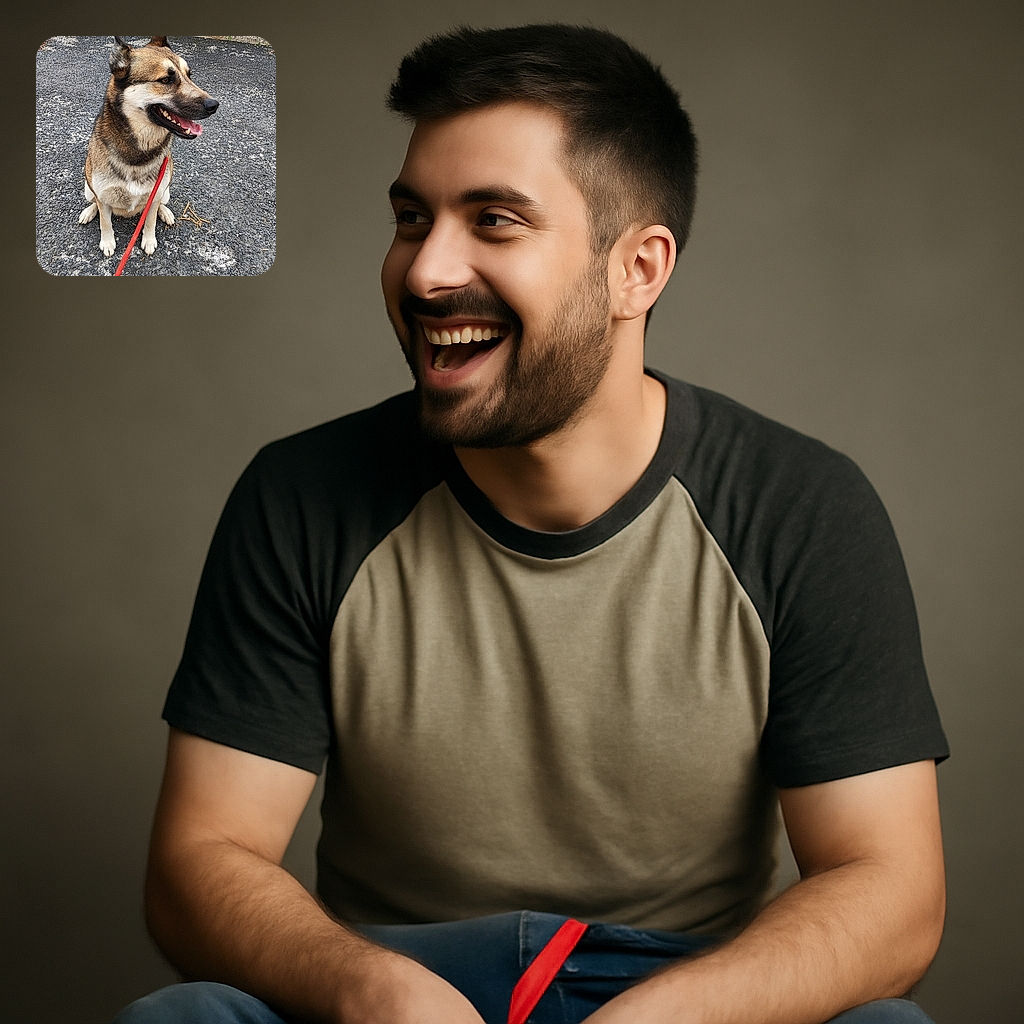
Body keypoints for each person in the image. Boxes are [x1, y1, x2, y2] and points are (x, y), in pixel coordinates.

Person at [113, 24, 948, 1024]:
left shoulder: (802, 509)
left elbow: (891, 894)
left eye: (493, 221)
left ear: (637, 268)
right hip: (383, 989)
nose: (426, 272)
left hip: (692, 999)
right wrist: (375, 994)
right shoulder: (301, 495)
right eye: (412, 219)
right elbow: (201, 862)